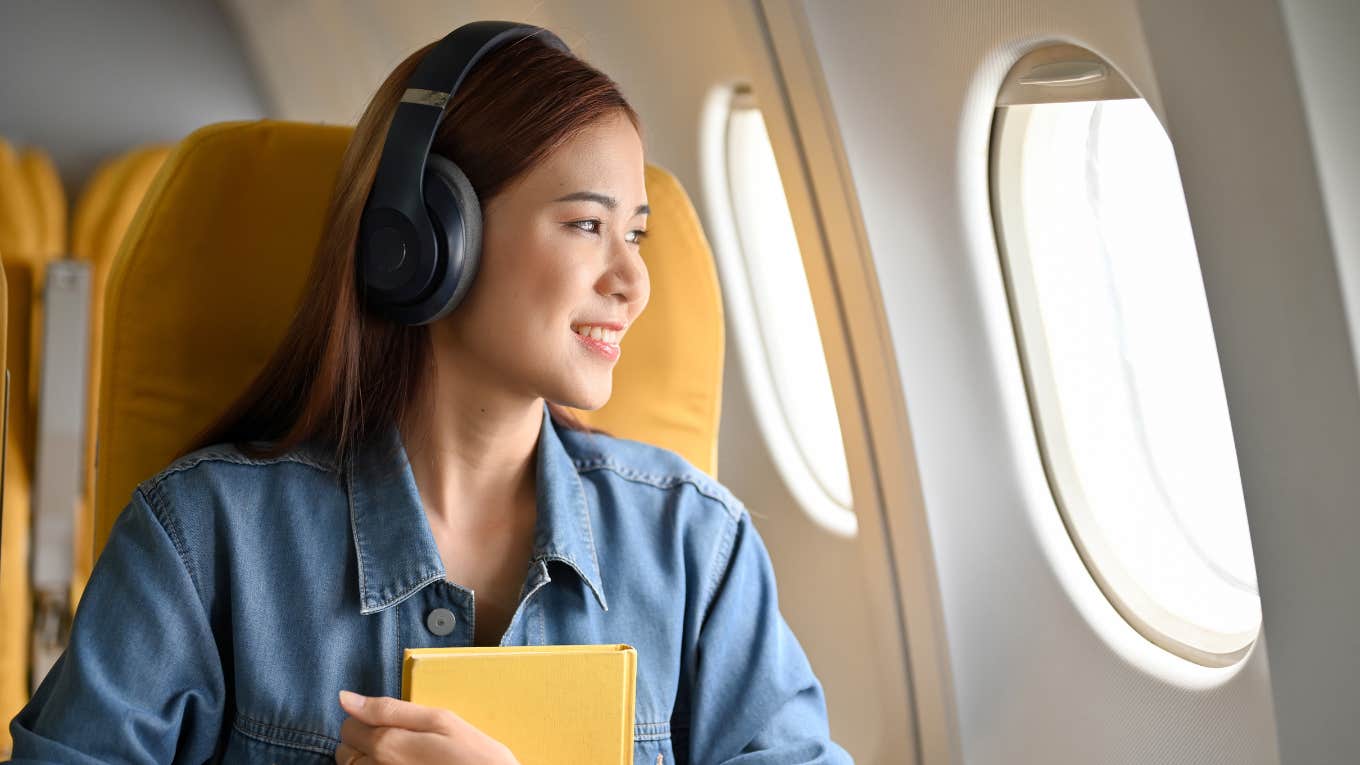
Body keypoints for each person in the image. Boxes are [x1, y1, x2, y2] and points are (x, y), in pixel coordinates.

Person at [8, 22, 852, 764]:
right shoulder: (202, 539)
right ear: (424, 239)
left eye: (635, 233)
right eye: (589, 225)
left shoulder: (698, 549)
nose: (634, 280)